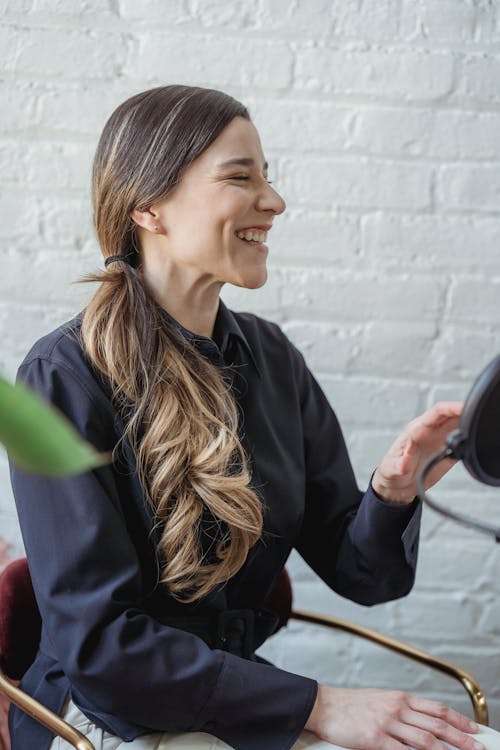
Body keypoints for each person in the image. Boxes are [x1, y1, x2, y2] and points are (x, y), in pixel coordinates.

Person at [8, 85, 486, 750]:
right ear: (148, 206)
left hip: (232, 696)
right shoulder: (62, 379)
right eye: (240, 176)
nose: (275, 201)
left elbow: (362, 575)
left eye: (269, 176)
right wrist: (317, 704)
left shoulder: (272, 361)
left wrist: (392, 490)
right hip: (101, 713)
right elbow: (101, 649)